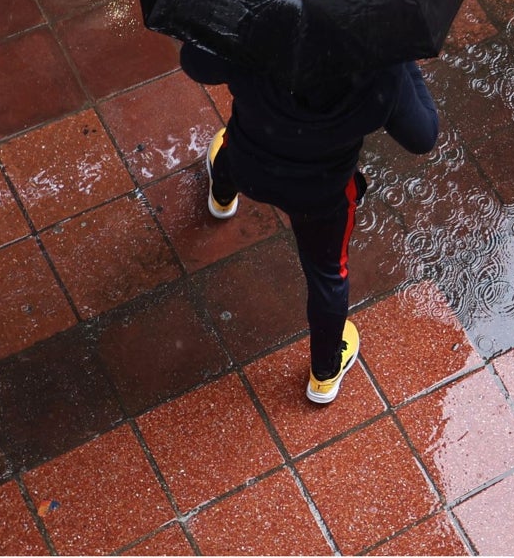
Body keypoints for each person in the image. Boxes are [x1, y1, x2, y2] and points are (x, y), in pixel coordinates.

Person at [180, 44, 439, 403]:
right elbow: (423, 135)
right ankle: (324, 374)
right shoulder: (378, 69)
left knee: (232, 150)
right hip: (320, 196)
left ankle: (222, 197)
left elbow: (196, 65)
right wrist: (398, 57)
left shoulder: (254, 32)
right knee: (328, 275)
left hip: (251, 163)